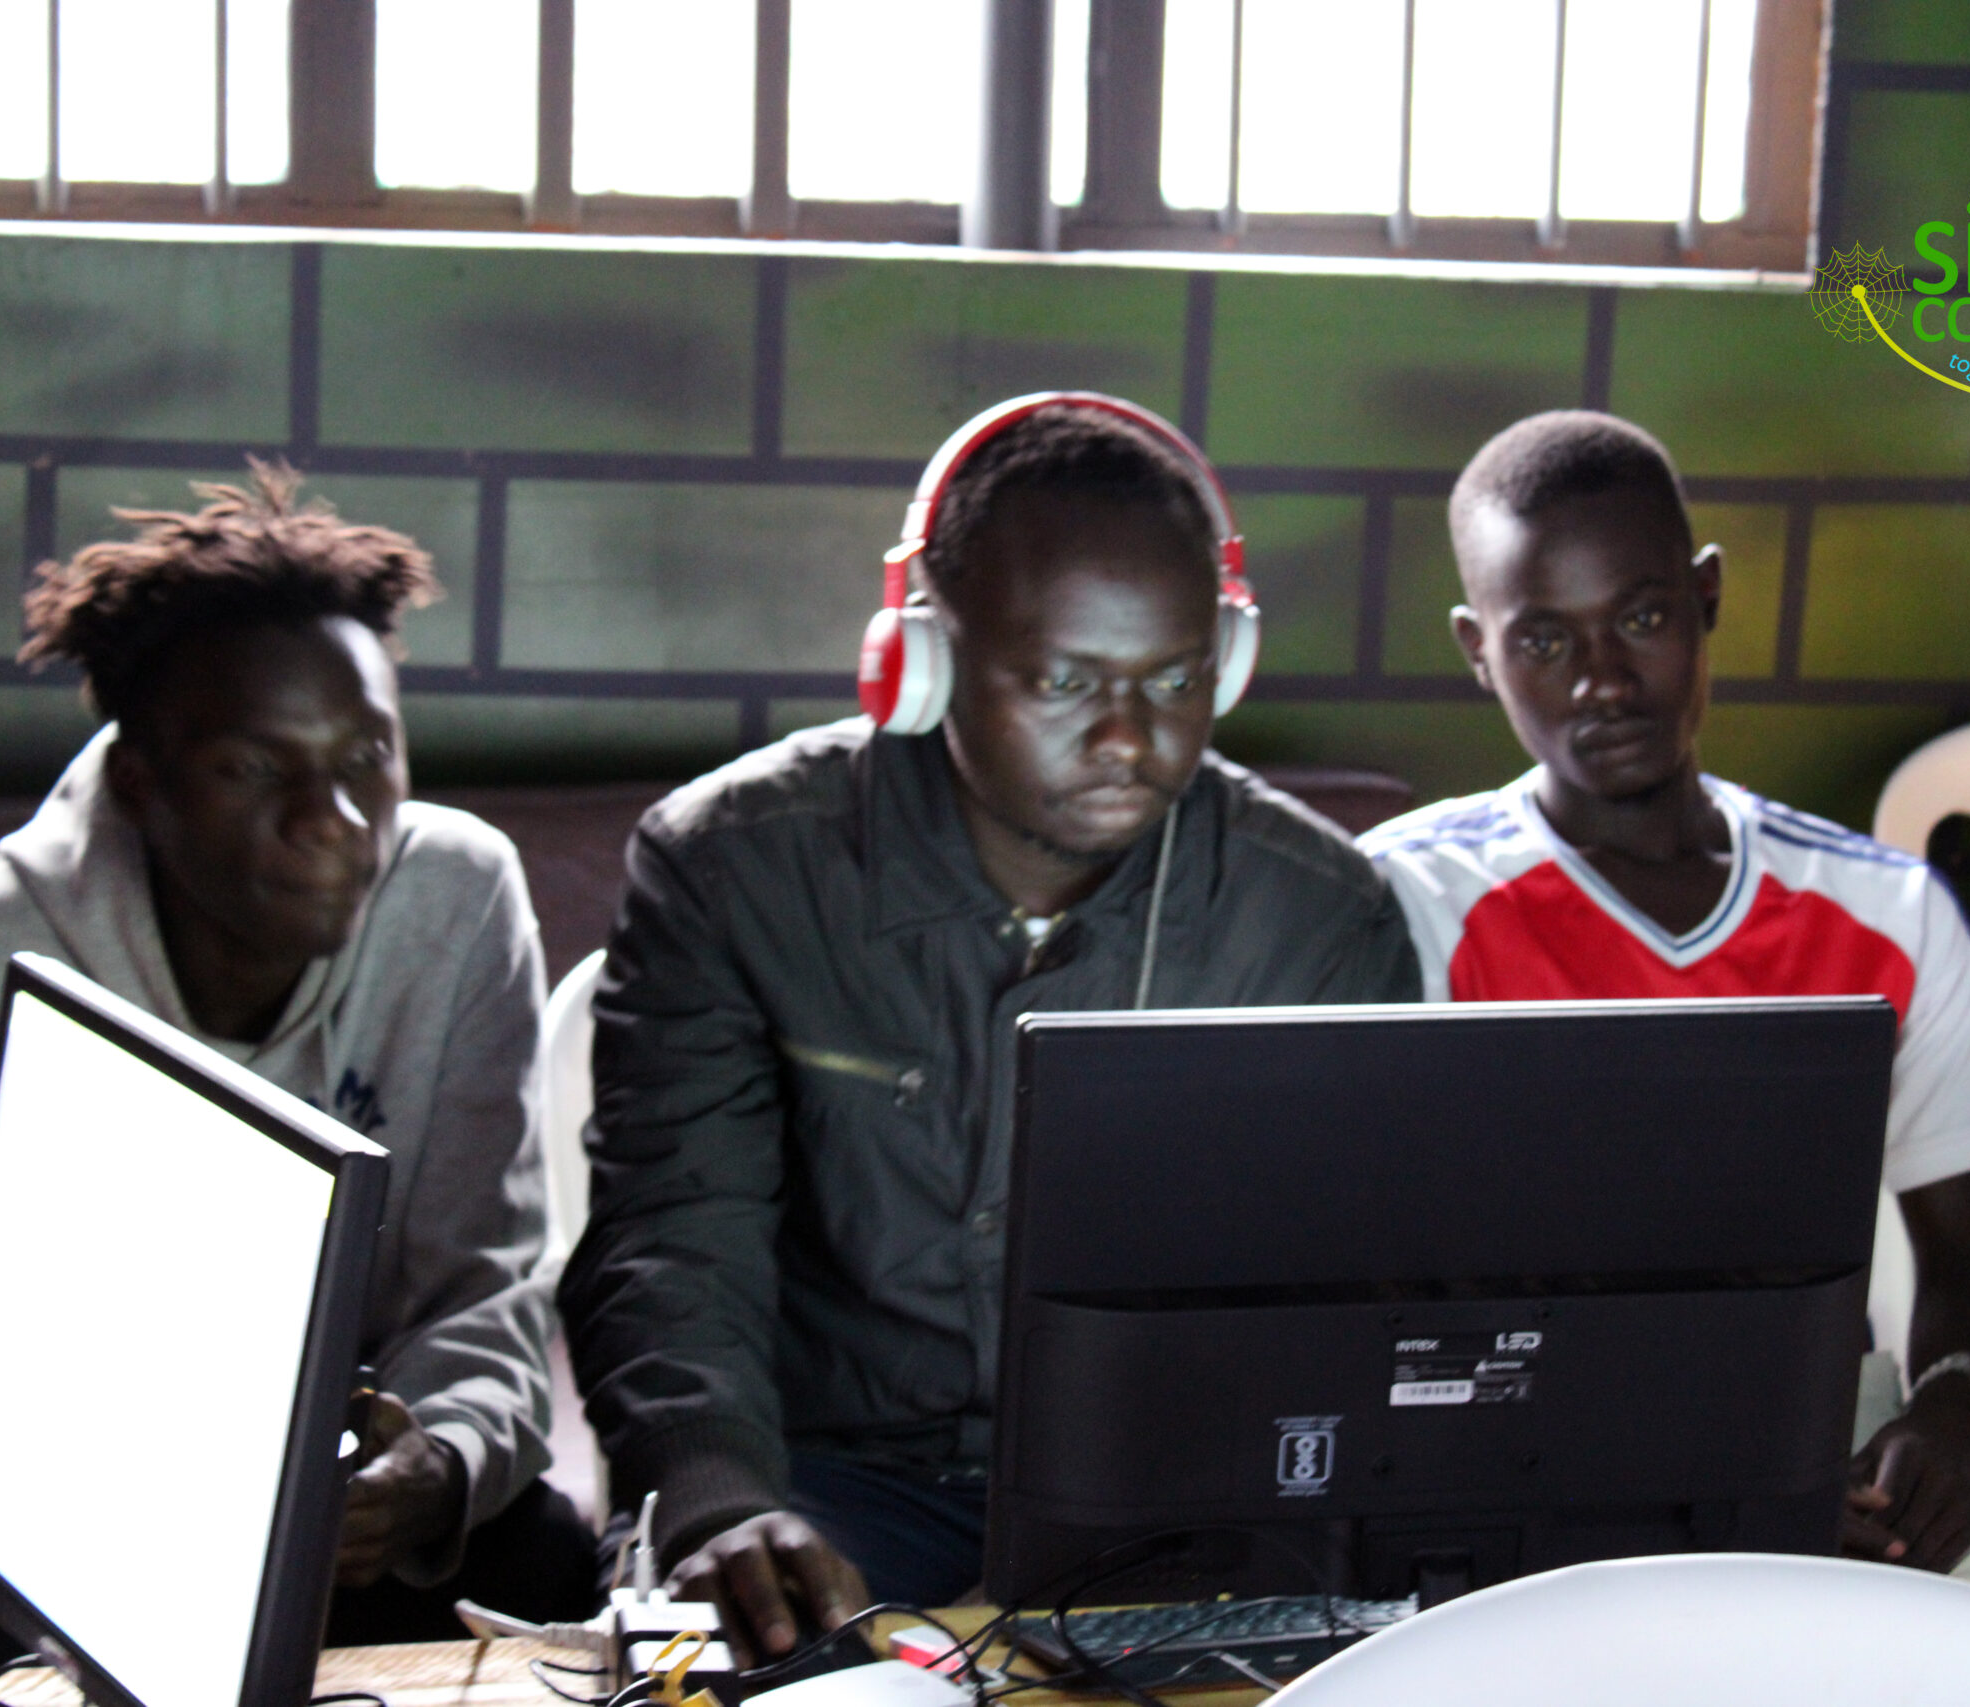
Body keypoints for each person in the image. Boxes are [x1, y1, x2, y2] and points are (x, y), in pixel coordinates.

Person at [1356, 410, 1970, 1707]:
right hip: (1527, 1493)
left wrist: (1950, 1414)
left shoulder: (1888, 911)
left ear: (1707, 601)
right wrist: (1706, 1512)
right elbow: (1369, 1321)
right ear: (1480, 653)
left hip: (1852, 1471)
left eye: (1644, 617)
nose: (1603, 677)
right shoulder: (1398, 909)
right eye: (1545, 639)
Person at [560, 395, 1420, 1659]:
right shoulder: (734, 870)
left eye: (1177, 678)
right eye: (1065, 681)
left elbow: (1369, 1283)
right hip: (832, 1489)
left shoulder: (1319, 917)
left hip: (1177, 1509)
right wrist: (715, 1498)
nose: (1129, 737)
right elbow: (676, 1241)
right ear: (925, 663)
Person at [0, 466, 594, 1655]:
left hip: (335, 1509)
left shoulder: (457, 899)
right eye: (254, 768)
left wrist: (435, 1465)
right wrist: (102, 1570)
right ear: (143, 785)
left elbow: (480, 1289)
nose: (334, 821)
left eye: (367, 757)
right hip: (46, 1536)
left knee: (546, 1560)